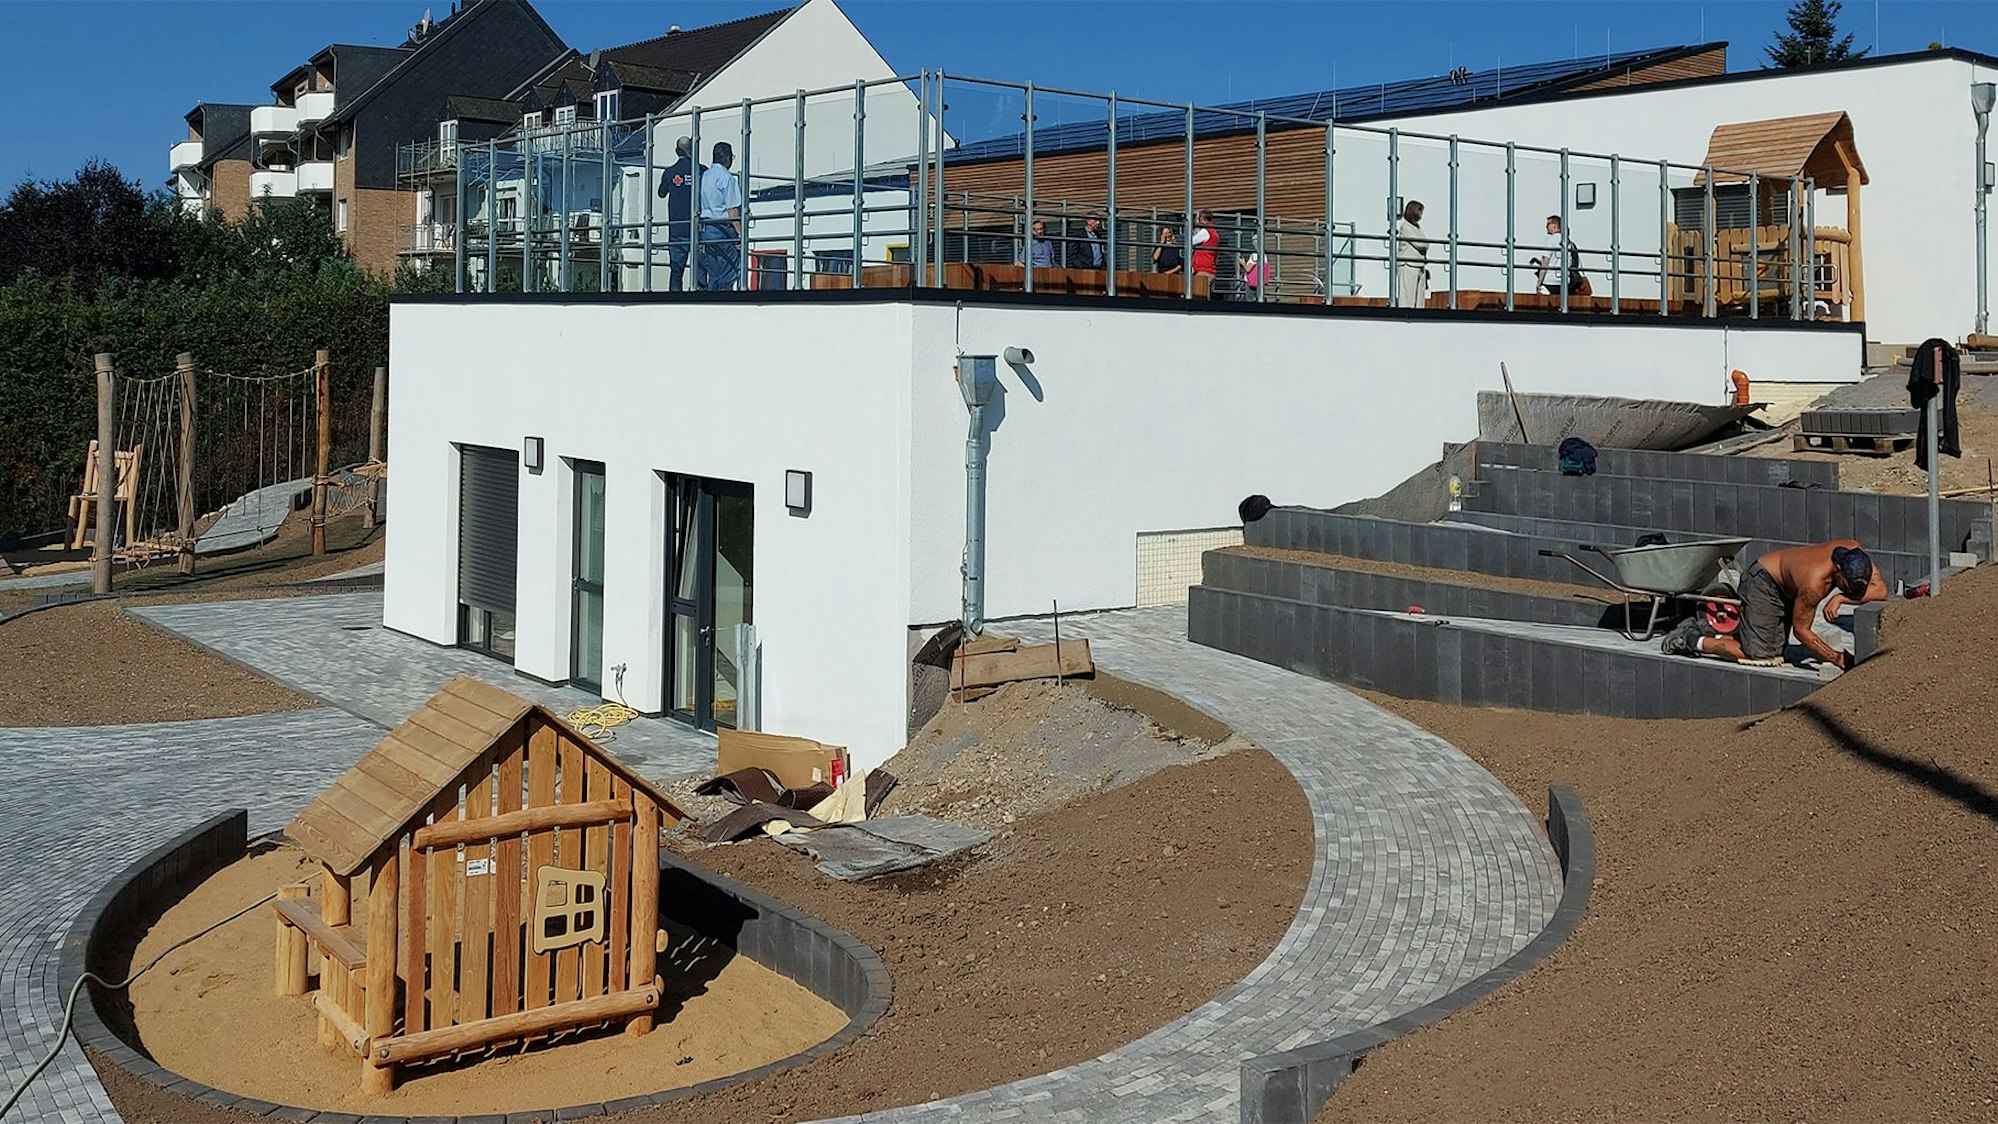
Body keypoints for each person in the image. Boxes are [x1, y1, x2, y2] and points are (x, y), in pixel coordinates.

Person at [1661, 540, 1888, 668]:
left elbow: (1881, 591)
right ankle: (1690, 639)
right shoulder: (1813, 585)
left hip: (1786, 585)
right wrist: (1836, 658)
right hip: (1763, 583)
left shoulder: (1855, 552)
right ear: (1838, 572)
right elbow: (1802, 631)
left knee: (1776, 650)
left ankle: (1709, 631)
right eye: (1849, 586)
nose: (1856, 591)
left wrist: (1840, 598)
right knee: (1761, 657)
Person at [654, 136, 699, 291]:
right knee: (700, 271)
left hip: (676, 229)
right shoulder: (701, 170)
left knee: (676, 272)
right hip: (698, 228)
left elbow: (661, 193)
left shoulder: (670, 172)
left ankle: (674, 301)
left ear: (676, 151)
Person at [697, 141, 743, 290]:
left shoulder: (705, 175)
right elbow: (732, 210)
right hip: (724, 228)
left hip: (708, 227)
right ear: (728, 158)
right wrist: (740, 233)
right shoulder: (727, 178)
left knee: (714, 272)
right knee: (729, 269)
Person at [1531, 215, 1587, 296]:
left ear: (1555, 226)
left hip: (1550, 282)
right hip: (1565, 282)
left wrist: (1539, 283)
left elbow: (1545, 263)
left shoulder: (1551, 240)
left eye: (1548, 224)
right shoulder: (1568, 242)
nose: (1546, 227)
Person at [1393, 200, 1429, 308]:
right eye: (1420, 211)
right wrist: (1425, 244)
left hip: (1419, 265)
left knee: (1419, 299)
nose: (1421, 214)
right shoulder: (1406, 227)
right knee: (1407, 297)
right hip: (1408, 265)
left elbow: (1426, 243)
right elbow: (1420, 244)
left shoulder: (1417, 227)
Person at [1190, 210, 1219, 287]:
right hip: (1209, 269)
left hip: (1203, 270)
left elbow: (1191, 241)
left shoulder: (1205, 231)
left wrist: (1195, 227)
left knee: (1198, 292)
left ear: (1201, 219)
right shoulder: (1214, 232)